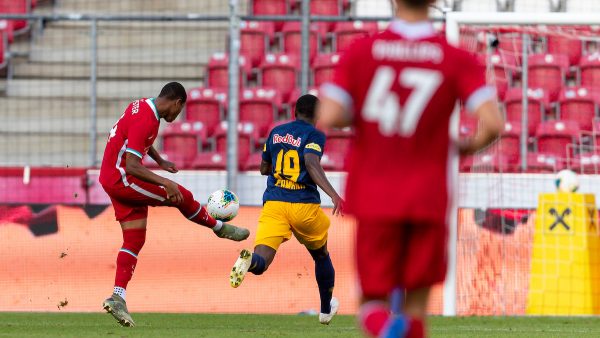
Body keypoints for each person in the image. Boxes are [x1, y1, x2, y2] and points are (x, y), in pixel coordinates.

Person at [318, 0, 504, 336]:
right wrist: (463, 147)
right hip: (427, 196)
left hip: (374, 194)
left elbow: (330, 116)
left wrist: (369, 113)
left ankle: (384, 329)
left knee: (372, 302)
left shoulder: (362, 51)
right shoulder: (457, 58)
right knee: (417, 309)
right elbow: (492, 123)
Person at [98, 82, 250, 327]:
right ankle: (219, 227)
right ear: (177, 102)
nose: (177, 116)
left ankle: (118, 297)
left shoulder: (141, 107)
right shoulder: (147, 119)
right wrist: (165, 181)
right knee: (180, 195)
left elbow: (136, 140)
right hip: (122, 178)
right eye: (180, 110)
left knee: (134, 239)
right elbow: (133, 164)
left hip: (111, 176)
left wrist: (160, 160)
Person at [229, 94, 344, 325]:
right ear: (318, 115)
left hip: (274, 204)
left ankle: (249, 260)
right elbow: (311, 162)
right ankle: (325, 310)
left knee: (262, 262)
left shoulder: (276, 132)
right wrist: (333, 193)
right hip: (303, 205)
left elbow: (264, 168)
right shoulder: (315, 135)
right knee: (321, 255)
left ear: (295, 112)